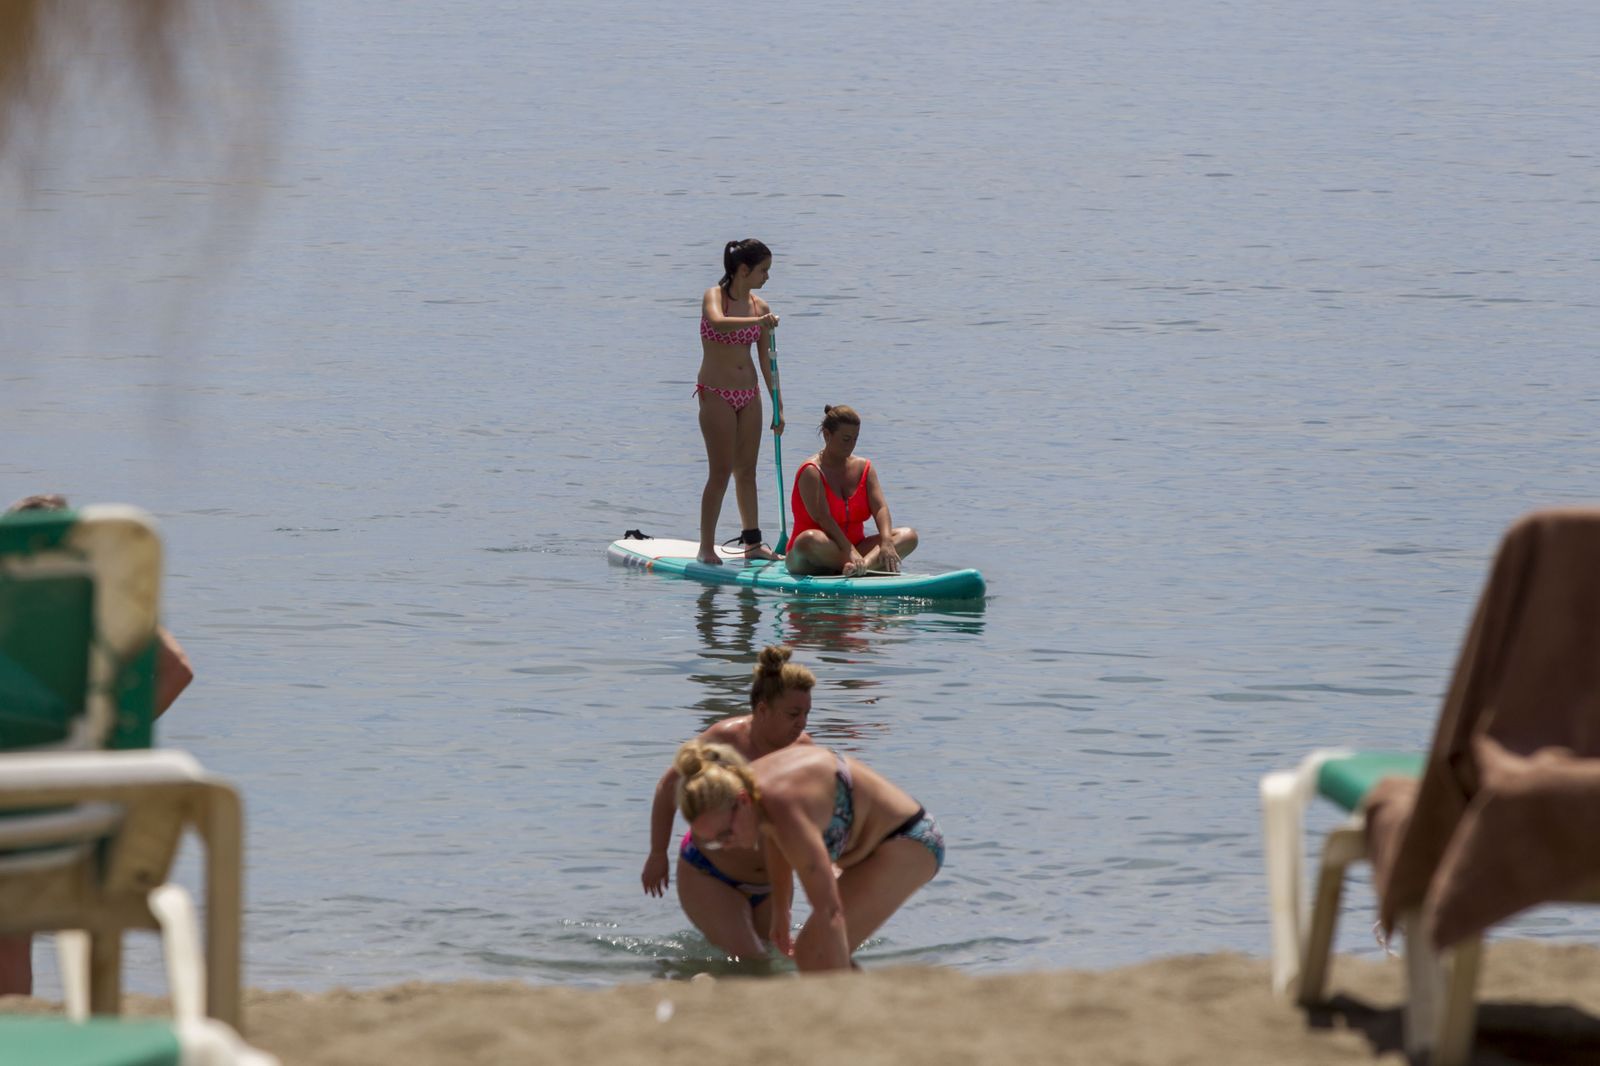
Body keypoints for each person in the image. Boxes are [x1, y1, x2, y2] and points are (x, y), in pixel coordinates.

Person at [0, 494, 195, 996]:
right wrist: (102, 746)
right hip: (84, 796)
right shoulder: (100, 601)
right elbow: (175, 670)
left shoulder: (9, 603)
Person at [673, 739, 944, 973]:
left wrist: (831, 972)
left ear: (742, 801)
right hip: (872, 851)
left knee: (815, 953)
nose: (727, 845)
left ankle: (855, 1020)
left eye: (725, 834)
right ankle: (871, 1015)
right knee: (815, 954)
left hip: (909, 841)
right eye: (714, 842)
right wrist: (781, 911)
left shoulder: (782, 802)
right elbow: (774, 837)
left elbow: (830, 910)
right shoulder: (749, 788)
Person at [641, 645, 814, 958]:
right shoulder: (723, 740)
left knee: (772, 958)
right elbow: (669, 787)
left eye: (806, 714)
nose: (802, 723)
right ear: (762, 710)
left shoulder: (803, 750)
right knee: (751, 958)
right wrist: (657, 852)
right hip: (709, 873)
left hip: (770, 885)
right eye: (793, 714)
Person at [696, 238, 784, 565]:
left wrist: (779, 405)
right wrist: (757, 323)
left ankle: (753, 543)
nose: (767, 277)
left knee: (747, 471)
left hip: (750, 395)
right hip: (716, 393)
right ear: (743, 270)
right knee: (720, 471)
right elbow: (717, 321)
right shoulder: (714, 297)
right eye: (763, 270)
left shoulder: (760, 307)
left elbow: (766, 362)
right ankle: (706, 547)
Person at [785, 405, 918, 577]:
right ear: (827, 435)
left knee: (909, 536)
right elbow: (823, 518)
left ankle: (862, 567)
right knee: (809, 539)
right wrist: (849, 552)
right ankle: (860, 566)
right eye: (846, 439)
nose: (851, 446)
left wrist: (886, 542)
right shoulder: (811, 471)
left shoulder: (865, 468)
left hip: (857, 551)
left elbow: (880, 508)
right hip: (814, 554)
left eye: (855, 439)